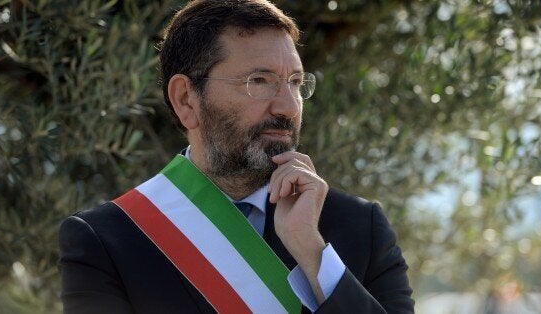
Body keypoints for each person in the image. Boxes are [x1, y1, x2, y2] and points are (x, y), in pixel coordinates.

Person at [58, 0, 414, 313]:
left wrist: (312, 254)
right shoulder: (106, 240)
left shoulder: (360, 227)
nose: (289, 106)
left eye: (295, 82)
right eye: (259, 81)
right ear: (186, 99)